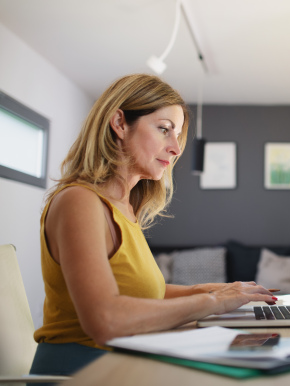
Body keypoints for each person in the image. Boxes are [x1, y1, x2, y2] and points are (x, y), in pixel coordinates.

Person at [29, 74, 276, 376]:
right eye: (164, 129)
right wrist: (211, 302)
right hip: (83, 373)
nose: (176, 148)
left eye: (178, 135)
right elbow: (105, 321)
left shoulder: (125, 208)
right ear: (119, 123)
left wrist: (218, 290)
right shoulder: (79, 201)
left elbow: (142, 293)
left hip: (125, 364)